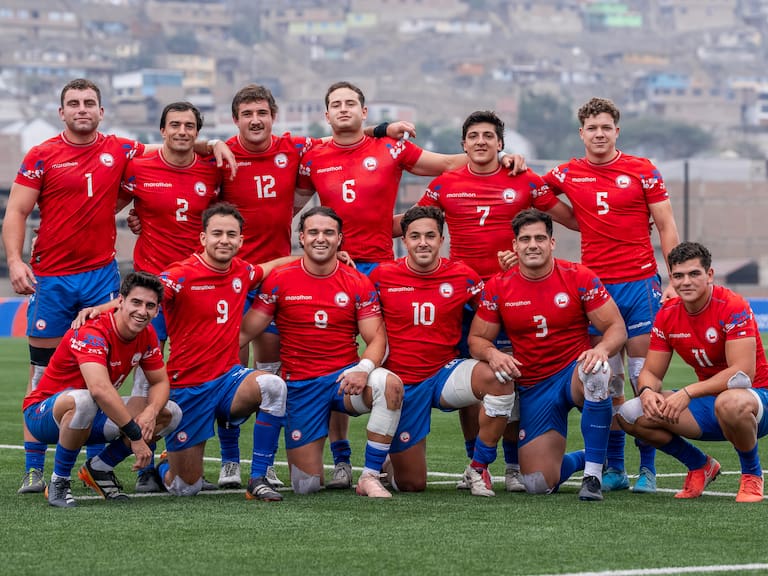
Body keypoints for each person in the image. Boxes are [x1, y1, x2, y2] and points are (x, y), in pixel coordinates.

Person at [3, 79, 233, 495]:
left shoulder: (120, 148)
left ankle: (109, 459)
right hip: (52, 278)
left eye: (89, 103)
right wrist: (16, 261)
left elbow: (174, 146)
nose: (82, 109)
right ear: (62, 112)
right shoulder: (41, 154)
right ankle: (35, 469)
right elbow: (17, 210)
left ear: (101, 111)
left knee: (116, 370)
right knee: (42, 373)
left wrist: (212, 142)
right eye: (73, 103)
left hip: (101, 276)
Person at [296, 81, 524, 489]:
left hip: (382, 265)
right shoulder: (312, 152)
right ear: (326, 113)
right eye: (336, 105)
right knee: (337, 358)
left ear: (364, 111)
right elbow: (289, 205)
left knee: (443, 357)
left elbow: (450, 163)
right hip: (337, 266)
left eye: (352, 103)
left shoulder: (392, 148)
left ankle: (478, 463)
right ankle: (345, 458)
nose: (344, 109)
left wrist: (500, 158)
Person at [214, 84, 415, 490]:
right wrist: (211, 141)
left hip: (275, 272)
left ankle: (291, 461)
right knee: (227, 368)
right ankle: (231, 460)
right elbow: (177, 157)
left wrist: (380, 130)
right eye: (247, 113)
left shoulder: (295, 148)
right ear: (236, 119)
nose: (256, 120)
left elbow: (341, 135)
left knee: (275, 372)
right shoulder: (218, 156)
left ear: (273, 117)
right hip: (232, 274)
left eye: (263, 113)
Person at [410, 110, 578, 492]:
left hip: (513, 297)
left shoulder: (522, 179)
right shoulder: (445, 184)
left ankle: (515, 465)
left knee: (514, 377)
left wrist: (626, 220)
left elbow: (570, 217)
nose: (481, 141)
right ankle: (478, 464)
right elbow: (415, 224)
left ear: (501, 143)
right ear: (463, 144)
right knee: (474, 383)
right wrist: (347, 238)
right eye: (474, 136)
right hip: (463, 301)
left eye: (489, 135)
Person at [541, 97, 680, 493]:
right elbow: (536, 193)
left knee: (643, 379)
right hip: (595, 290)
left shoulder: (642, 169)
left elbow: (666, 226)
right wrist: (576, 220)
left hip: (639, 285)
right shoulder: (568, 171)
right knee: (607, 379)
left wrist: (672, 279)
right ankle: (615, 467)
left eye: (606, 127)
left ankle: (648, 470)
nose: (599, 134)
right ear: (581, 133)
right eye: (592, 128)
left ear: (616, 131)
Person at [240, 206, 404, 498]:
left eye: (328, 232)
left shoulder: (357, 281)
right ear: (301, 237)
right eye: (313, 232)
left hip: (344, 381)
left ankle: (370, 473)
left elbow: (377, 338)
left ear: (340, 239)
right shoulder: (279, 279)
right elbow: (245, 332)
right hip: (301, 386)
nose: (321, 238)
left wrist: (362, 369)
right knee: (306, 486)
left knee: (388, 383)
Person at [469, 209, 627, 501]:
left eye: (540, 238)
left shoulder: (578, 276)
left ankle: (592, 475)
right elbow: (477, 339)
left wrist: (601, 349)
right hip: (534, 384)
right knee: (538, 483)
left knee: (599, 372)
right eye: (525, 239)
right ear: (515, 246)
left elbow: (616, 327)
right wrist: (492, 354)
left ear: (552, 242)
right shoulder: (499, 286)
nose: (533, 245)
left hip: (573, 372)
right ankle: (584, 457)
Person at [370, 206, 515, 496]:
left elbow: (496, 311)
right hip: (402, 383)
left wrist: (510, 277)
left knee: (499, 378)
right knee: (412, 484)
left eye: (430, 235)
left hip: (444, 374)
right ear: (405, 241)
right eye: (415, 236)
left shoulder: (464, 276)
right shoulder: (382, 275)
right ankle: (389, 460)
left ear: (441, 239)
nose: (422, 242)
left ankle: (478, 468)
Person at [117, 101, 221, 492]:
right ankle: (141, 464)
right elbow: (109, 207)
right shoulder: (139, 167)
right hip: (152, 286)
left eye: (189, 126)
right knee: (147, 375)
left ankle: (182, 464)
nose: (182, 131)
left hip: (198, 285)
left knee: (199, 372)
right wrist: (134, 217)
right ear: (162, 130)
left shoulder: (211, 170)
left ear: (197, 132)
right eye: (174, 124)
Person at [156, 202, 290, 500]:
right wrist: (103, 308)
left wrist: (313, 256)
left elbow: (272, 266)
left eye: (232, 234)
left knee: (272, 385)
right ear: (203, 238)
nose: (224, 240)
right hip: (188, 386)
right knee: (185, 488)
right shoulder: (179, 274)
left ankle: (258, 478)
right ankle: (164, 465)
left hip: (228, 380)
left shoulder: (242, 271)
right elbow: (144, 295)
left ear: (241, 240)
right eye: (217, 233)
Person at [617, 242, 768, 502]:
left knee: (730, 401)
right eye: (678, 276)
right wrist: (646, 392)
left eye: (694, 274)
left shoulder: (732, 305)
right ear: (671, 279)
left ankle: (752, 474)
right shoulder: (667, 315)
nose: (686, 282)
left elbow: (741, 375)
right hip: (711, 404)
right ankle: (700, 465)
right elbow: (650, 372)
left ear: (709, 275)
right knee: (630, 414)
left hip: (755, 401)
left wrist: (687, 393)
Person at [21, 271, 182, 507]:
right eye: (135, 302)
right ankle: (59, 481)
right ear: (120, 302)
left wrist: (151, 411)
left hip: (91, 415)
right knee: (84, 400)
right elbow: (100, 390)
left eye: (150, 305)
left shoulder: (147, 334)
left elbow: (159, 382)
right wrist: (136, 437)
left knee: (169, 413)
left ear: (157, 311)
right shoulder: (92, 332)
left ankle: (99, 468)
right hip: (45, 415)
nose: (142, 311)